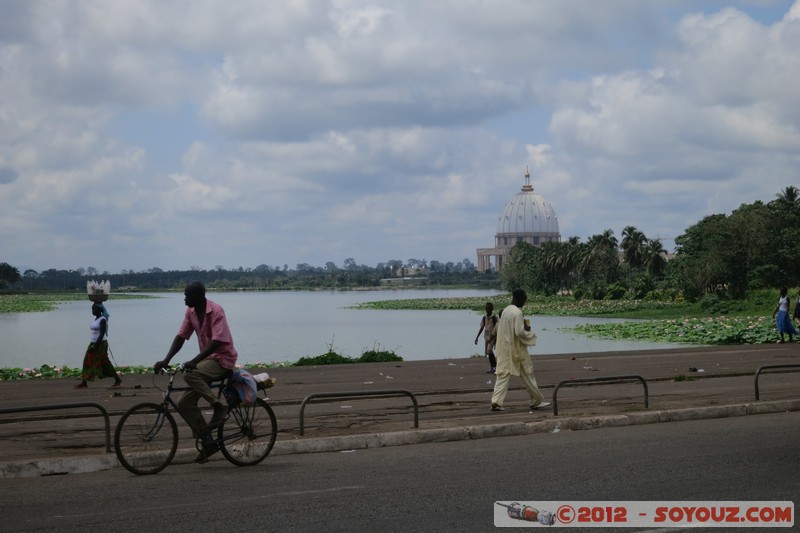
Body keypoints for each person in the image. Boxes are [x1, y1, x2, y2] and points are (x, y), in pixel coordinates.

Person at [154, 282, 239, 463]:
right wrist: (166, 360)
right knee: (183, 403)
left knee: (190, 374)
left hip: (223, 359)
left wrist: (195, 361)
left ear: (199, 297)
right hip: (207, 362)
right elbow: (181, 336)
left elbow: (217, 341)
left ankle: (219, 407)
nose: (185, 298)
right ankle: (208, 441)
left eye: (187, 295)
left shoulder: (216, 310)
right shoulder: (191, 312)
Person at [490, 289, 549, 412]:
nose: (524, 302)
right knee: (528, 373)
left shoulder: (506, 310)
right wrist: (528, 330)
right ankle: (536, 400)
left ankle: (496, 401)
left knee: (503, 374)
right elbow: (519, 332)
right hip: (517, 350)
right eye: (524, 299)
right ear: (520, 298)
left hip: (505, 349)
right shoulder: (517, 313)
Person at [75, 303, 122, 389]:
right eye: (92, 309)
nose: (93, 311)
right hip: (93, 342)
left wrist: (95, 345)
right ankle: (84, 382)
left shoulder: (103, 319)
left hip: (100, 343)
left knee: (105, 362)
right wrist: (93, 344)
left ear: (100, 310)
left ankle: (117, 379)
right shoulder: (96, 319)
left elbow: (102, 333)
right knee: (87, 360)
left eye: (95, 309)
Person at [474, 302, 499, 373]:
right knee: (488, 352)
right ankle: (492, 367)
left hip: (493, 336)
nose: (487, 309)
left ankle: (495, 367)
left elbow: (498, 327)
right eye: (486, 308)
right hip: (486, 337)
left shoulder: (495, 318)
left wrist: (497, 338)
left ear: (492, 309)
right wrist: (477, 337)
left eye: (489, 308)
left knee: (489, 350)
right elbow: (482, 328)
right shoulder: (484, 318)